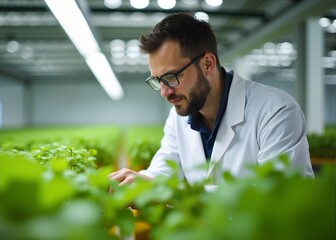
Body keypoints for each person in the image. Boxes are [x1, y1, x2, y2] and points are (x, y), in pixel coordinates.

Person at [109, 12, 314, 191]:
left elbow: (277, 196)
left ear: (207, 64)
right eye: (158, 81)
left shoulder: (276, 111)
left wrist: (178, 195)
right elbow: (164, 169)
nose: (164, 92)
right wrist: (138, 181)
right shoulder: (180, 115)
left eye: (171, 77)